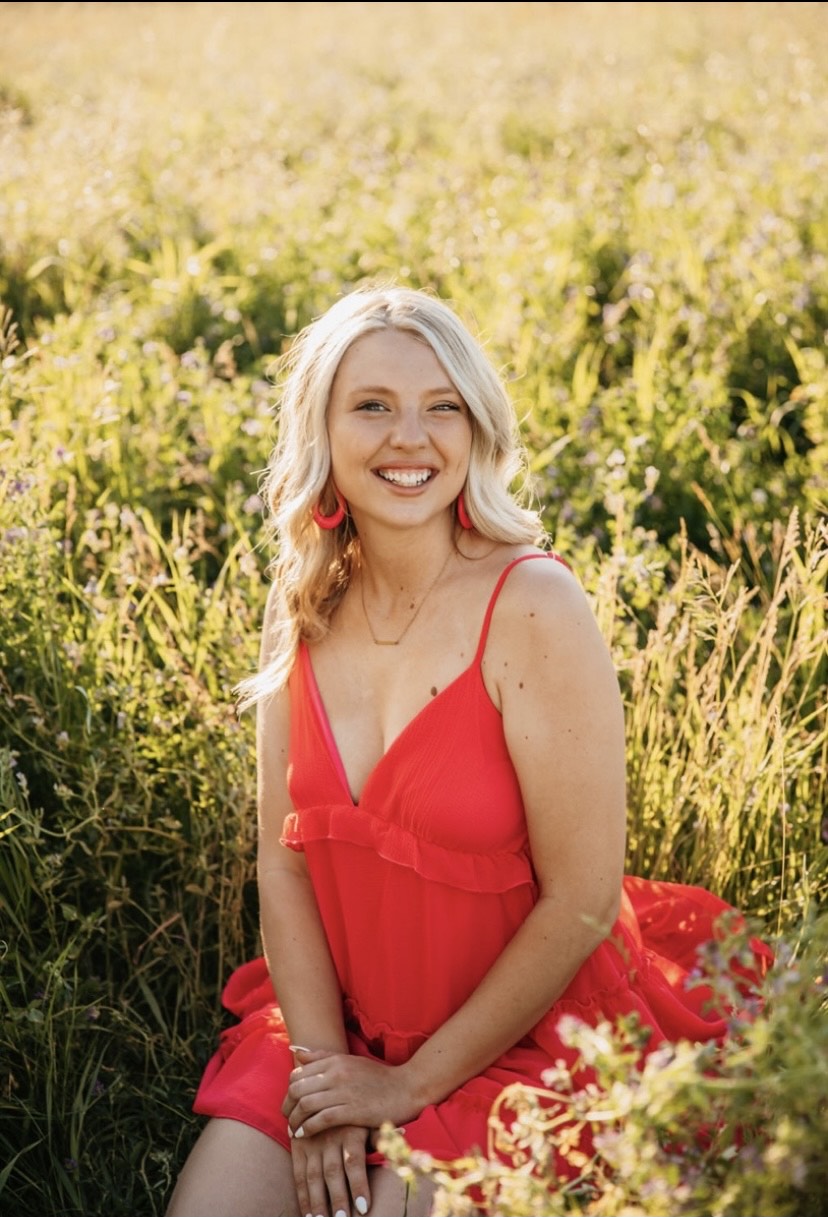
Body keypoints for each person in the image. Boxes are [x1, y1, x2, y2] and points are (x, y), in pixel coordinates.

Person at [166, 285, 771, 1217]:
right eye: (373, 405)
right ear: (322, 428)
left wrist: (406, 1091)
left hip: (527, 1036)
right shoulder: (303, 605)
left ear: (477, 430)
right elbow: (283, 869)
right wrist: (329, 1082)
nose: (411, 437)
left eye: (441, 406)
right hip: (347, 1028)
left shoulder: (532, 605)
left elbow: (581, 896)